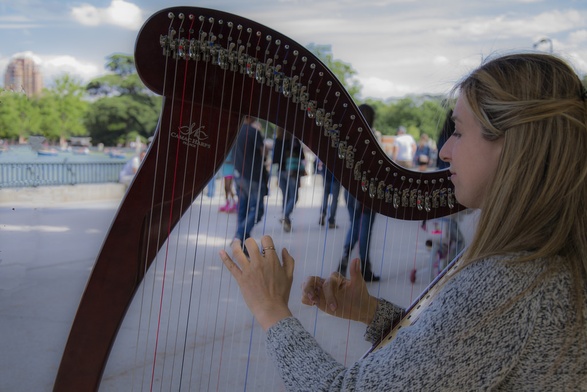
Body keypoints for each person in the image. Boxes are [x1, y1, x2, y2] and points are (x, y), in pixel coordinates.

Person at [219, 53, 587, 390]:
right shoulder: (544, 261)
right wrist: (372, 313)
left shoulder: (509, 280)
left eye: (458, 131)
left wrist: (269, 308)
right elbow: (463, 355)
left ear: (514, 145)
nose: (444, 151)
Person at [339, 104, 380, 282]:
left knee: (354, 224)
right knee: (365, 229)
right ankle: (365, 268)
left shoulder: (348, 136)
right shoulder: (372, 137)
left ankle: (345, 258)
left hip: (350, 190)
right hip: (366, 191)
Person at [232, 115, 269, 245]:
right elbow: (263, 151)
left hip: (239, 175)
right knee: (257, 211)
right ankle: (239, 235)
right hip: (253, 176)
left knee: (243, 208)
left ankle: (242, 242)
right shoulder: (254, 132)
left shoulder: (236, 130)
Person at [272, 127, 305, 232]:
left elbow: (274, 159)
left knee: (285, 196)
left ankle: (287, 222)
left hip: (280, 172)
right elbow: (302, 156)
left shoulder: (277, 140)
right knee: (294, 196)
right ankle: (285, 215)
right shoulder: (294, 140)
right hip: (291, 172)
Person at [318, 163, 341, 229]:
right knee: (334, 199)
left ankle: (323, 213)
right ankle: (331, 221)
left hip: (326, 176)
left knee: (325, 196)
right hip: (336, 178)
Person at [219, 147, 237, 212]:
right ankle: (227, 202)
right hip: (225, 168)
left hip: (230, 168)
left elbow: (234, 159)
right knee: (225, 187)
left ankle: (234, 202)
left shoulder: (233, 147)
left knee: (228, 186)